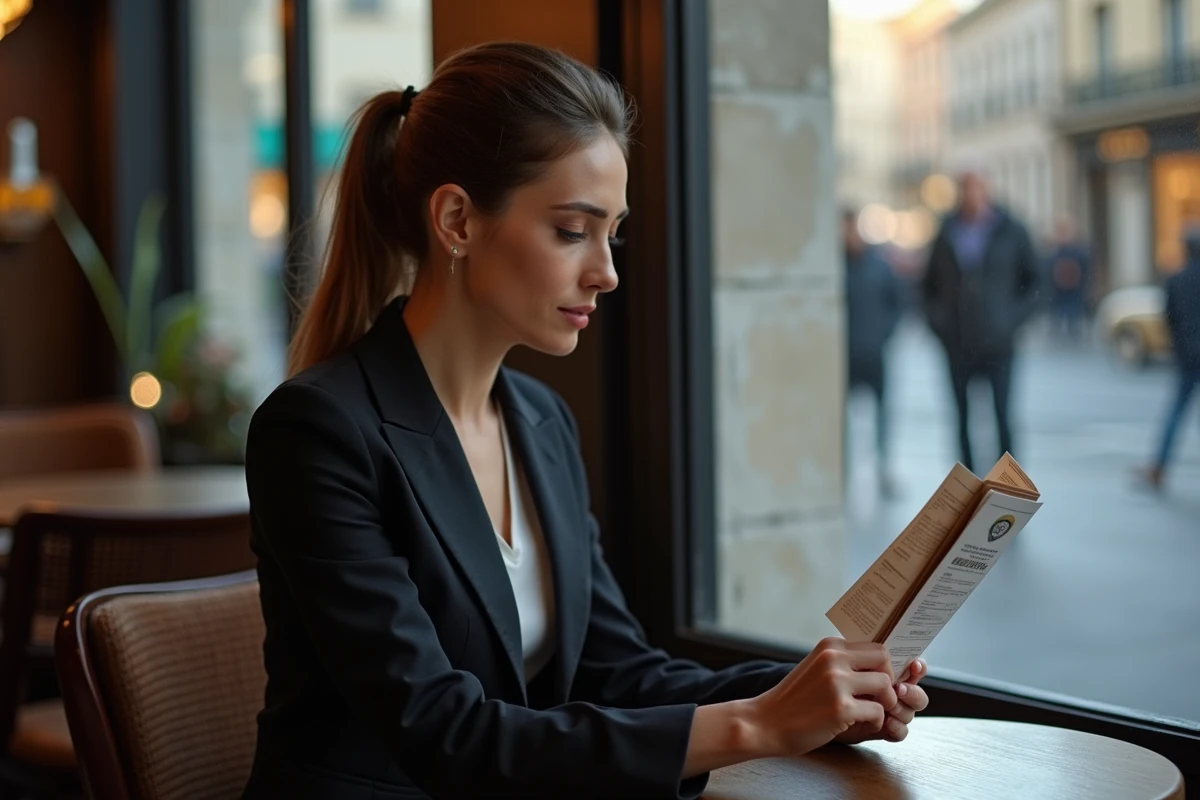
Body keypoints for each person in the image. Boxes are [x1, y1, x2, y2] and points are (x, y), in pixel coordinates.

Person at [242, 43, 928, 799]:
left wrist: (821, 694)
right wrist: (761, 724)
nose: (606, 270)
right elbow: (445, 734)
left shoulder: (539, 421)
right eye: (573, 230)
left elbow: (616, 671)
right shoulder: (317, 433)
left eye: (614, 232)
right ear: (458, 220)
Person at [922, 171, 1041, 473]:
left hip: (999, 344)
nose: (971, 194)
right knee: (961, 420)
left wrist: (1011, 320)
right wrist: (939, 324)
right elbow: (927, 285)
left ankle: (1006, 493)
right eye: (965, 188)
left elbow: (1037, 283)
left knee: (1003, 416)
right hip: (957, 344)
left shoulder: (1011, 229)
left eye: (976, 187)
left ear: (987, 189)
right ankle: (968, 490)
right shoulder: (947, 229)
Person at [843, 208, 905, 495]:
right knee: (841, 421)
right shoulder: (835, 267)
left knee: (882, 415)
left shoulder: (879, 266)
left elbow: (898, 303)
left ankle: (884, 469)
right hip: (843, 358)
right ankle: (841, 472)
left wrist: (883, 334)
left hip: (874, 353)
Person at [1140, 227, 1200, 490]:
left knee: (1176, 412)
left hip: (1187, 355)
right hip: (1189, 352)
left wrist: (1178, 345)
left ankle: (1159, 467)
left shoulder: (1177, 279)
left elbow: (1168, 317)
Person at [1045, 216, 1092, 343]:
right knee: (1058, 319)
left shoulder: (1079, 251)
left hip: (1074, 293)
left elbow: (1086, 270)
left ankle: (1072, 333)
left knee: (1074, 322)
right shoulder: (1054, 252)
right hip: (1058, 294)